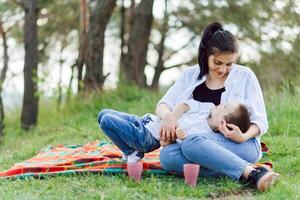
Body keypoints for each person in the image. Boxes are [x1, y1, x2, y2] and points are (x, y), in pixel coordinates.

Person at [156, 22, 279, 192]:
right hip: (198, 144)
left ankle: (251, 173)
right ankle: (239, 169)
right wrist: (168, 116)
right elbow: (164, 104)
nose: (223, 69)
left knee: (190, 143)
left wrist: (243, 137)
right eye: (218, 62)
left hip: (241, 145)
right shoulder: (190, 75)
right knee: (167, 156)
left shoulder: (245, 76)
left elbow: (260, 121)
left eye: (229, 64)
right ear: (206, 55)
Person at [98, 100, 251, 163]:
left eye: (224, 107)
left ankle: (132, 153)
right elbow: (185, 104)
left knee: (107, 121)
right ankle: (129, 150)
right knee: (103, 113)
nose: (221, 104)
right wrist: (171, 116)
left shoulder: (203, 137)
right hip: (146, 121)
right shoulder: (208, 107)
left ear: (222, 122)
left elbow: (167, 143)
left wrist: (179, 137)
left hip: (147, 137)